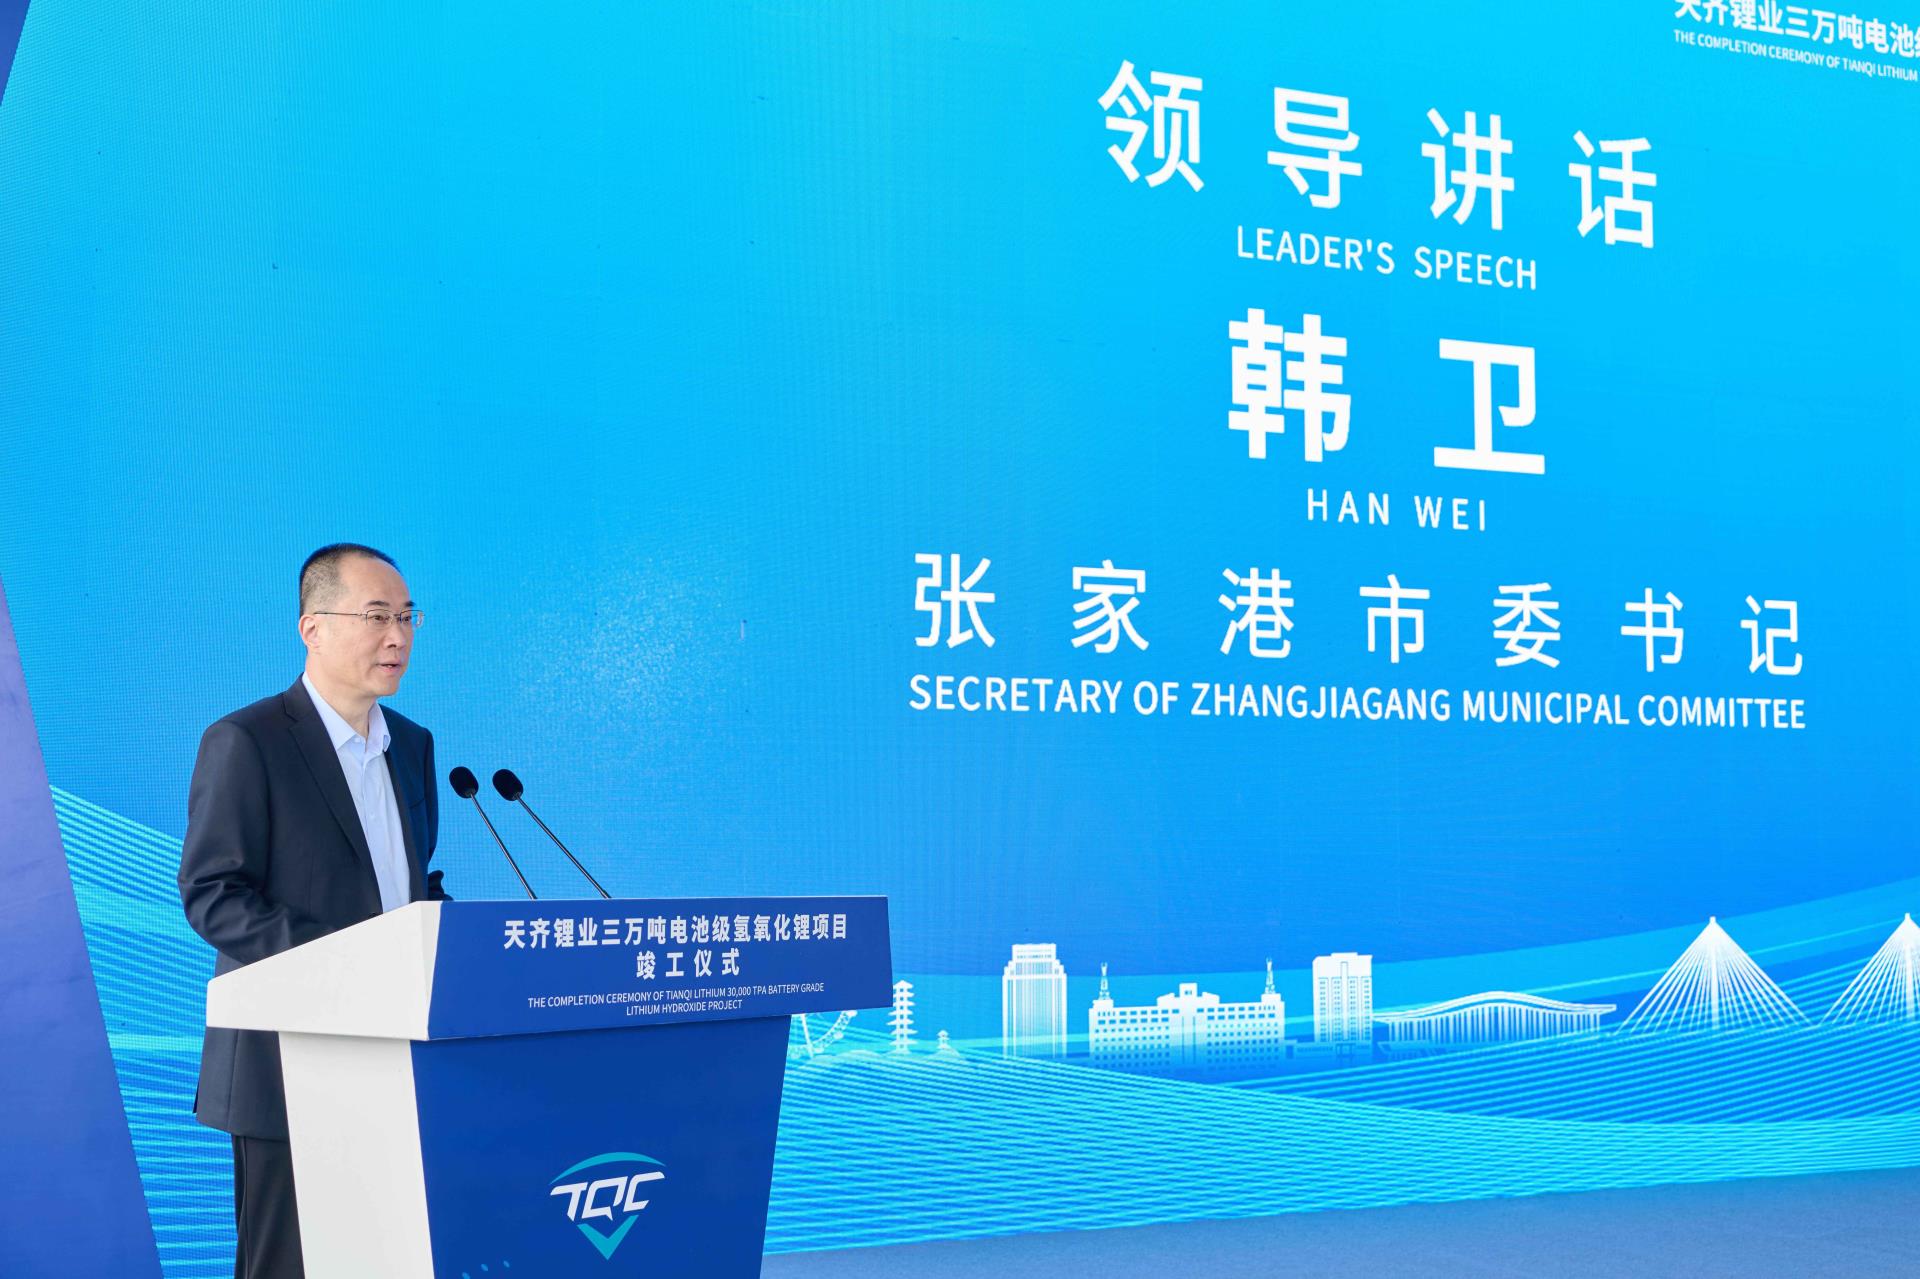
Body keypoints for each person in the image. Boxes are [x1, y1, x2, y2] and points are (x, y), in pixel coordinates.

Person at [178, 544, 449, 1279]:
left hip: (393, 1057)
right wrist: (343, 961)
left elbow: (408, 886)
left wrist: (448, 935)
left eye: (407, 617)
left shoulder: (412, 746)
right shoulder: (248, 742)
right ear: (313, 628)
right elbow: (213, 893)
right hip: (287, 1066)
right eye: (376, 616)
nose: (397, 636)